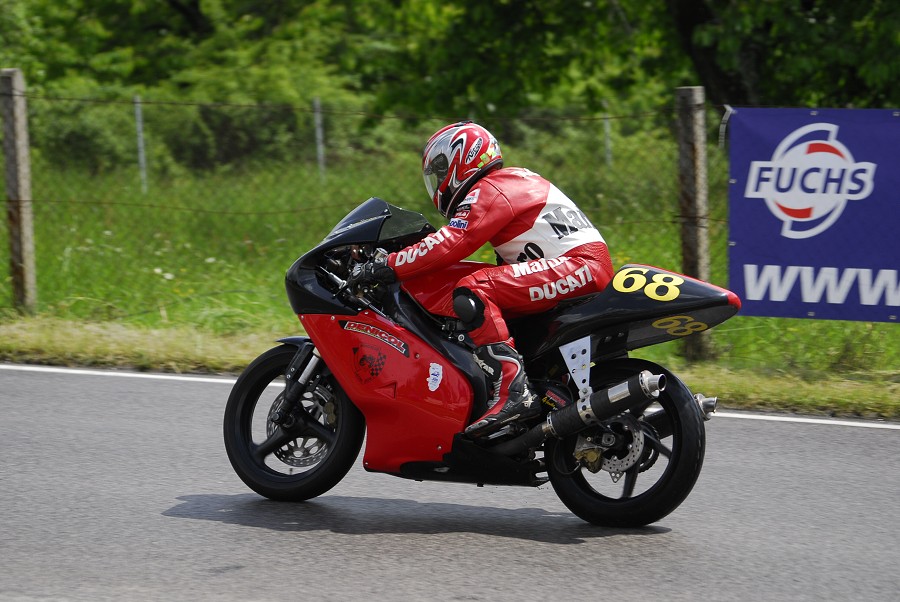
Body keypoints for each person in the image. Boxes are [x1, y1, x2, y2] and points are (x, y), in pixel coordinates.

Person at [348, 121, 614, 437]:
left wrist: (386, 265)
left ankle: (515, 392)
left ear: (464, 158)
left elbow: (451, 243)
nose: (438, 181)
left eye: (441, 169)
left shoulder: (492, 187)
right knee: (484, 290)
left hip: (578, 266)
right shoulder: (513, 180)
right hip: (580, 266)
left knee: (474, 289)